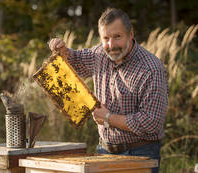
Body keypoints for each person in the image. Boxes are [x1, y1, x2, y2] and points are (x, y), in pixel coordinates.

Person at [48, 8, 168, 173]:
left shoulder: (151, 68)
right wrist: (64, 52)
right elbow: (76, 60)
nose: (111, 45)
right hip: (104, 151)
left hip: (140, 154)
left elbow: (151, 122)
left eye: (117, 37)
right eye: (106, 38)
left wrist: (108, 118)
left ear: (131, 34)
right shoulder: (99, 54)